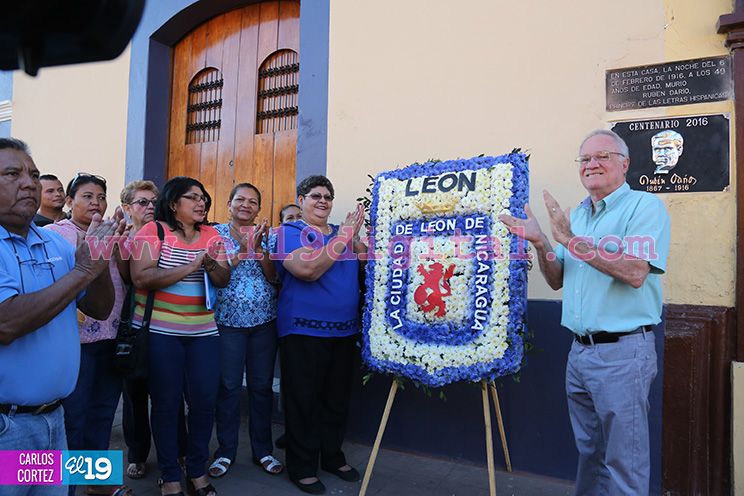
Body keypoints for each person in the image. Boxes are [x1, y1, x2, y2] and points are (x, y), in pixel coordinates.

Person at [499, 129, 671, 496]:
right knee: (591, 453)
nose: (592, 164)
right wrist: (542, 242)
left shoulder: (644, 207)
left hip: (623, 353)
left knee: (625, 459)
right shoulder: (576, 215)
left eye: (602, 156)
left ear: (624, 164)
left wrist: (570, 240)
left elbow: (635, 272)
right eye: (585, 159)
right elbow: (556, 278)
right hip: (579, 353)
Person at [0, 138, 123, 496]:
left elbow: (98, 309)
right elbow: (6, 323)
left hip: (53, 420)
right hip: (8, 429)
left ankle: (99, 483)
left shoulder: (54, 244)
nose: (29, 183)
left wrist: (98, 262)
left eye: (33, 174)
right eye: (12, 174)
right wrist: (84, 270)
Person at [130, 176, 230, 496]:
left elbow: (223, 278)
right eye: (193, 197)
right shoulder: (153, 231)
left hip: (204, 333)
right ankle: (170, 475)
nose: (202, 203)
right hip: (161, 333)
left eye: (203, 198)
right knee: (166, 404)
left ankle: (197, 471)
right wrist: (191, 265)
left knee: (203, 403)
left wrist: (211, 265)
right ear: (173, 204)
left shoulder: (212, 234)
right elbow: (142, 277)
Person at [270, 175, 366, 495]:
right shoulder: (289, 233)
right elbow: (307, 270)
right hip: (303, 330)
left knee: (336, 400)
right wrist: (345, 237)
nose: (322, 201)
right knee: (304, 401)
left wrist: (360, 239)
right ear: (301, 200)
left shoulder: (343, 233)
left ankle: (333, 457)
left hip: (345, 330)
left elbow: (366, 265)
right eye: (315, 196)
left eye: (327, 196)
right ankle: (302, 466)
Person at [45, 173, 130, 496]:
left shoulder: (112, 230)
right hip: (74, 342)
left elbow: (127, 276)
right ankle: (64, 488)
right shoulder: (54, 235)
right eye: (87, 196)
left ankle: (97, 483)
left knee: (103, 413)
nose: (96, 202)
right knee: (73, 418)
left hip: (111, 334)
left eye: (101, 197)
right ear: (69, 202)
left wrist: (119, 242)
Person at [208, 183, 282, 479]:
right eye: (240, 199)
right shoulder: (214, 235)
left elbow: (274, 277)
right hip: (227, 323)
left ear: (259, 208)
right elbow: (215, 274)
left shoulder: (271, 235)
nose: (245, 205)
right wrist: (242, 250)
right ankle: (225, 452)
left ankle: (263, 451)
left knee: (261, 387)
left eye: (252, 201)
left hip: (264, 322)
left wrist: (260, 249)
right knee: (228, 387)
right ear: (229, 204)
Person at [118, 180, 188, 481]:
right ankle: (137, 454)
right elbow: (127, 279)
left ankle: (176, 454)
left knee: (169, 396)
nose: (149, 207)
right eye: (142, 202)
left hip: (168, 324)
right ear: (127, 208)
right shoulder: (121, 238)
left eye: (153, 201)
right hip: (134, 326)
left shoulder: (170, 234)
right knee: (134, 396)